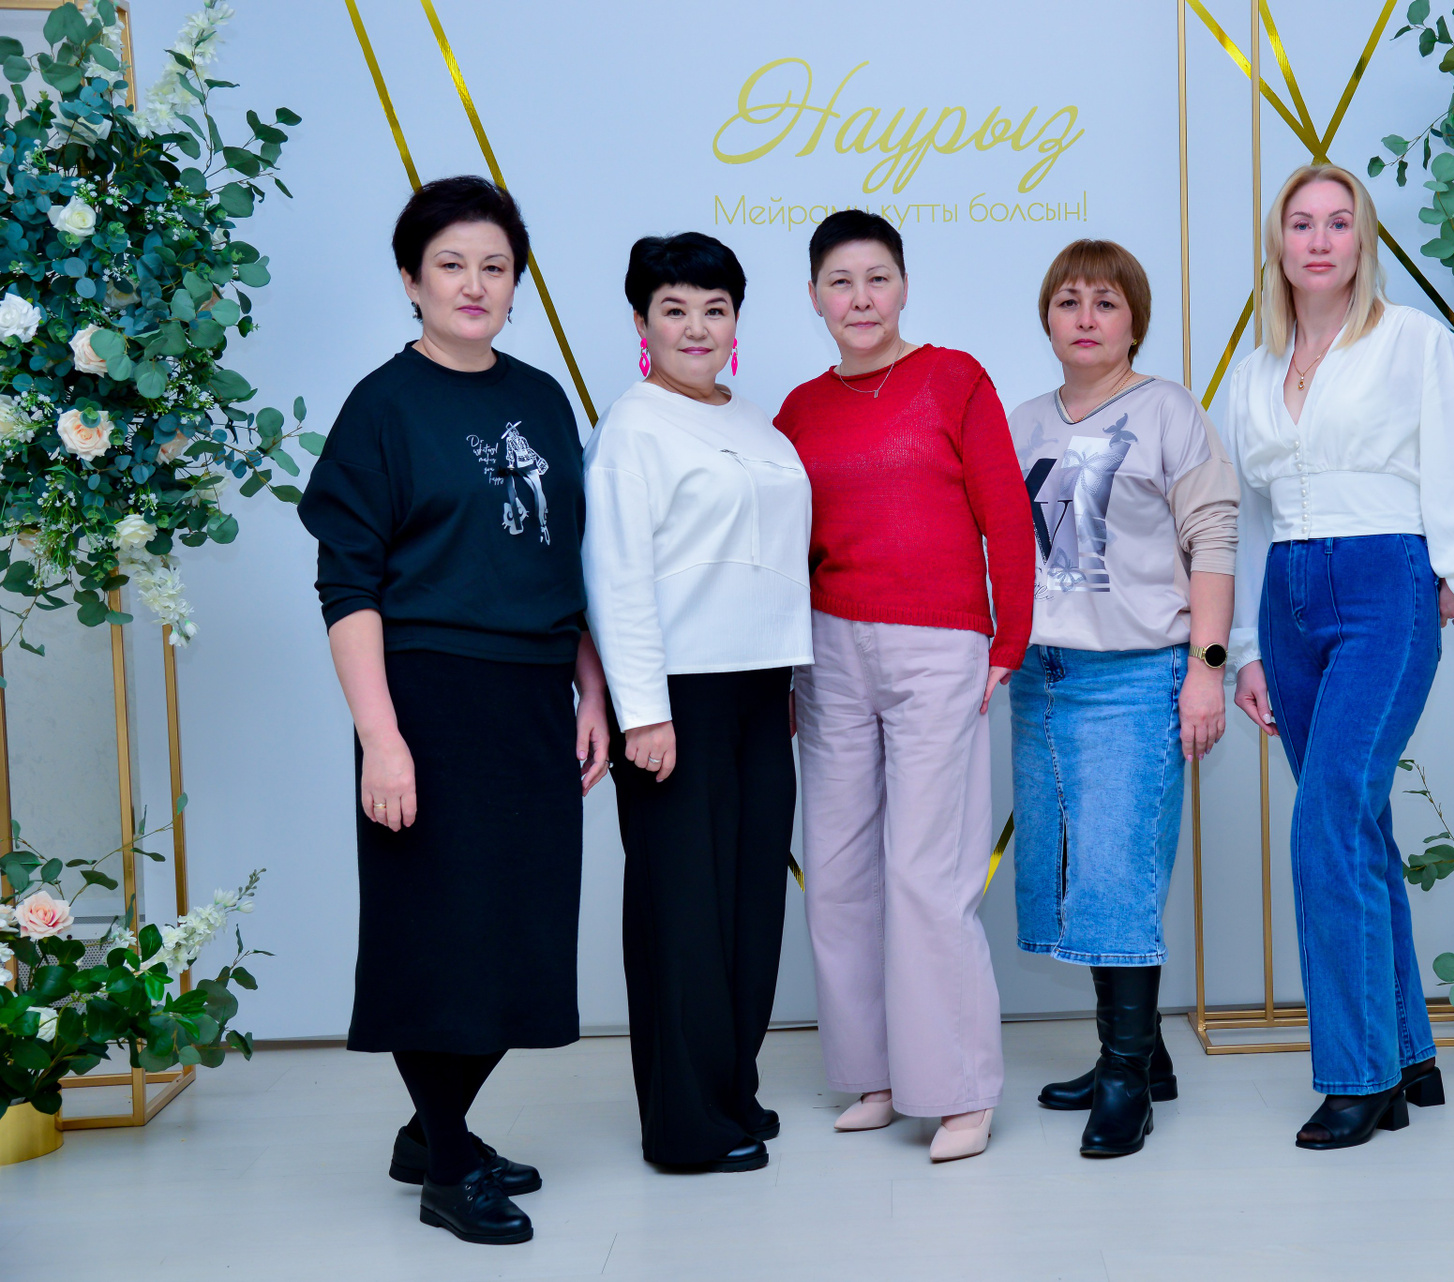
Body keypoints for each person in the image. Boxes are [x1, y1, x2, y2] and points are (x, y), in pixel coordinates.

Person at [299, 175, 610, 1244]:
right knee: (437, 932)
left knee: (521, 931)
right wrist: (381, 738)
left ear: (516, 285)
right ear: (410, 279)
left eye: (494, 267)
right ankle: (447, 1163)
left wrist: (590, 687)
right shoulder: (384, 406)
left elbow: (566, 560)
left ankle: (433, 1130)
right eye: (450, 264)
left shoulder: (542, 398)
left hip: (532, 694)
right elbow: (348, 586)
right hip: (427, 694)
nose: (474, 284)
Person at [1223, 164, 1454, 1150]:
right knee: (1355, 824)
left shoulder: (1411, 342)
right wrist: (1245, 648)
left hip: (1382, 588)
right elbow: (1250, 516)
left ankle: (1359, 1079)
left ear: (1362, 241)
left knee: (1325, 821)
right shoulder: (1256, 371)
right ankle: (1408, 1051)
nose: (1319, 240)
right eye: (1301, 223)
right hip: (1287, 599)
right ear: (1278, 244)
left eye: (1338, 222)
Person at [775, 210, 1034, 1163]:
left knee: (928, 873)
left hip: (939, 644)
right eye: (840, 283)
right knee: (839, 870)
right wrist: (783, 663)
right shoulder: (799, 410)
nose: (860, 299)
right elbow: (782, 548)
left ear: (904, 286)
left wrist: (1010, 636)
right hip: (828, 649)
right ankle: (875, 1074)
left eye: (877, 278)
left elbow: (1006, 513)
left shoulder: (954, 378)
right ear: (814, 297)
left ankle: (958, 1089)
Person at [583, 232, 812, 1174]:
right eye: (674, 310)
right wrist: (642, 711)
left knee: (750, 905)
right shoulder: (632, 427)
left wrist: (789, 680)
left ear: (736, 322)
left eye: (715, 309)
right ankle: (682, 1124)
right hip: (674, 697)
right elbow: (616, 576)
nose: (696, 327)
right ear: (642, 323)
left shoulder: (756, 423)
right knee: (681, 913)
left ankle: (730, 1089)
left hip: (763, 692)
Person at [1007, 240, 1237, 1158]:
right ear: (1046, 318)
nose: (1087, 317)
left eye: (1106, 301)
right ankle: (1139, 1057)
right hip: (1044, 676)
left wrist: (1207, 667)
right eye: (1069, 301)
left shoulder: (1170, 410)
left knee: (1117, 871)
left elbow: (1213, 539)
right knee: (1073, 869)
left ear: (1134, 320)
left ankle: (1124, 1081)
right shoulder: (1023, 421)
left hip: (1139, 674)